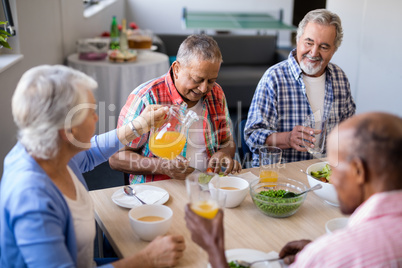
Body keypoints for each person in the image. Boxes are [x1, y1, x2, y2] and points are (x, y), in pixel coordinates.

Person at [0, 65, 185, 267]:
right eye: (91, 112)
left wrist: (139, 125)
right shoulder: (31, 197)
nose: (97, 118)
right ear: (68, 130)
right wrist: (148, 259)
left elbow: (90, 154)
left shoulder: (47, 149)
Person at [185, 112, 402, 267]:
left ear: (358, 171)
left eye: (334, 165)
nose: (331, 176)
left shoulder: (336, 253)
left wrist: (214, 249)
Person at [109, 34, 241, 184]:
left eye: (211, 80)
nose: (204, 88)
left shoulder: (216, 93)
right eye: (197, 79)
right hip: (156, 189)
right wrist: (161, 166)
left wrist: (224, 153)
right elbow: (116, 158)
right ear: (176, 68)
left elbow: (227, 140)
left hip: (205, 185)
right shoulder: (146, 98)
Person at [244, 9, 356, 165]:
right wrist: (288, 138)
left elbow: (348, 131)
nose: (314, 52)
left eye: (324, 47)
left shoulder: (340, 78)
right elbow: (252, 136)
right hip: (281, 178)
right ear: (298, 40)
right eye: (309, 43)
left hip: (325, 175)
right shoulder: (274, 78)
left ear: (334, 50)